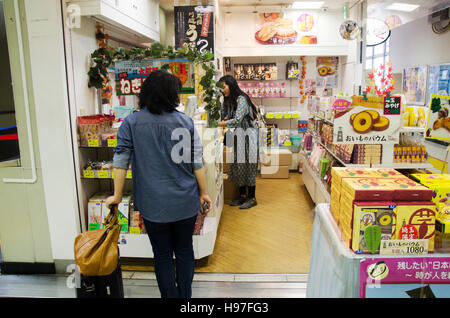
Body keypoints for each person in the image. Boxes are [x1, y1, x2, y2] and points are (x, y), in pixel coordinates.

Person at [105, 69, 212, 298]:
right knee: (184, 251)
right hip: (185, 200)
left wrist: (116, 195)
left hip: (153, 204)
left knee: (162, 255)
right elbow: (196, 162)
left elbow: (121, 160)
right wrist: (203, 193)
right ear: (171, 95)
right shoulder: (185, 122)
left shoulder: (131, 123)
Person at [218, 75, 259, 210]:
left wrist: (219, 123)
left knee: (250, 164)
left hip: (249, 135)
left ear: (231, 85)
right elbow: (224, 114)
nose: (222, 90)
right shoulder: (227, 100)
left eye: (223, 87)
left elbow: (237, 120)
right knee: (239, 164)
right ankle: (242, 195)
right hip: (238, 134)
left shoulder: (241, 99)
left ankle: (252, 198)